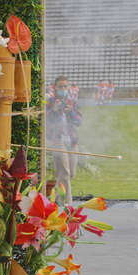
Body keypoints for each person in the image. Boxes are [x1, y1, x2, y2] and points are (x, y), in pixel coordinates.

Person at [46, 75, 82, 206]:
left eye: (65, 86)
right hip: (57, 140)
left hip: (72, 141)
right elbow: (45, 120)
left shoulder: (73, 102)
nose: (63, 89)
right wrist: (54, 110)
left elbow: (79, 121)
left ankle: (56, 196)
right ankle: (68, 204)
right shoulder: (49, 102)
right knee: (65, 172)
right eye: (60, 86)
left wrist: (71, 112)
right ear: (55, 87)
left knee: (70, 173)